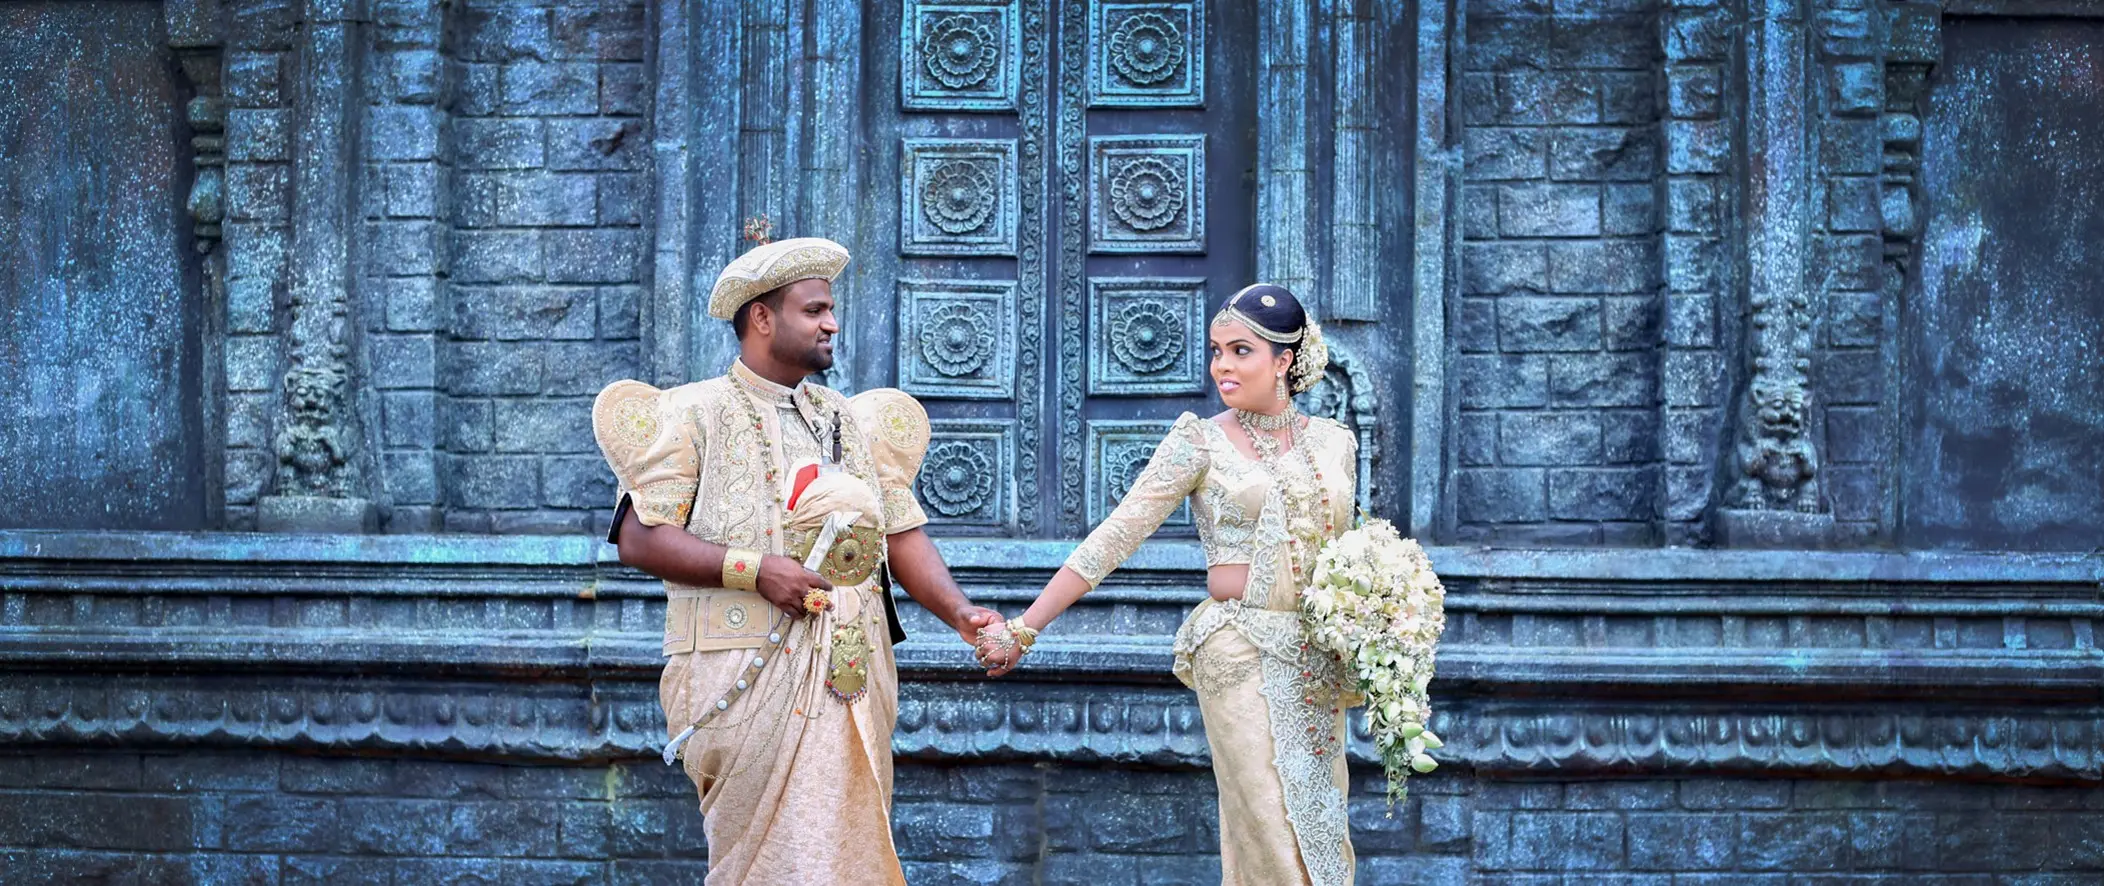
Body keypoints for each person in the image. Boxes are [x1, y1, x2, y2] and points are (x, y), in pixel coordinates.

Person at [592, 226, 999, 885]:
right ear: (761, 317)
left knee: (842, 861)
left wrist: (959, 613)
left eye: (831, 309)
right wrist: (756, 571)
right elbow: (640, 538)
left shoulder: (844, 418)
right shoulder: (693, 412)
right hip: (740, 669)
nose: (832, 324)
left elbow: (897, 534)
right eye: (814, 310)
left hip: (848, 671)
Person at [976, 284, 1362, 885]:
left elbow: (1350, 553)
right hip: (1237, 649)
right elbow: (1116, 534)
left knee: (1321, 828)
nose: (1222, 367)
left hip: (1315, 659)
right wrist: (1027, 627)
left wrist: (1383, 624)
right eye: (1216, 351)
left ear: (1284, 360)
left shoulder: (1335, 442)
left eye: (1240, 351)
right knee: (1268, 825)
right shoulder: (1200, 439)